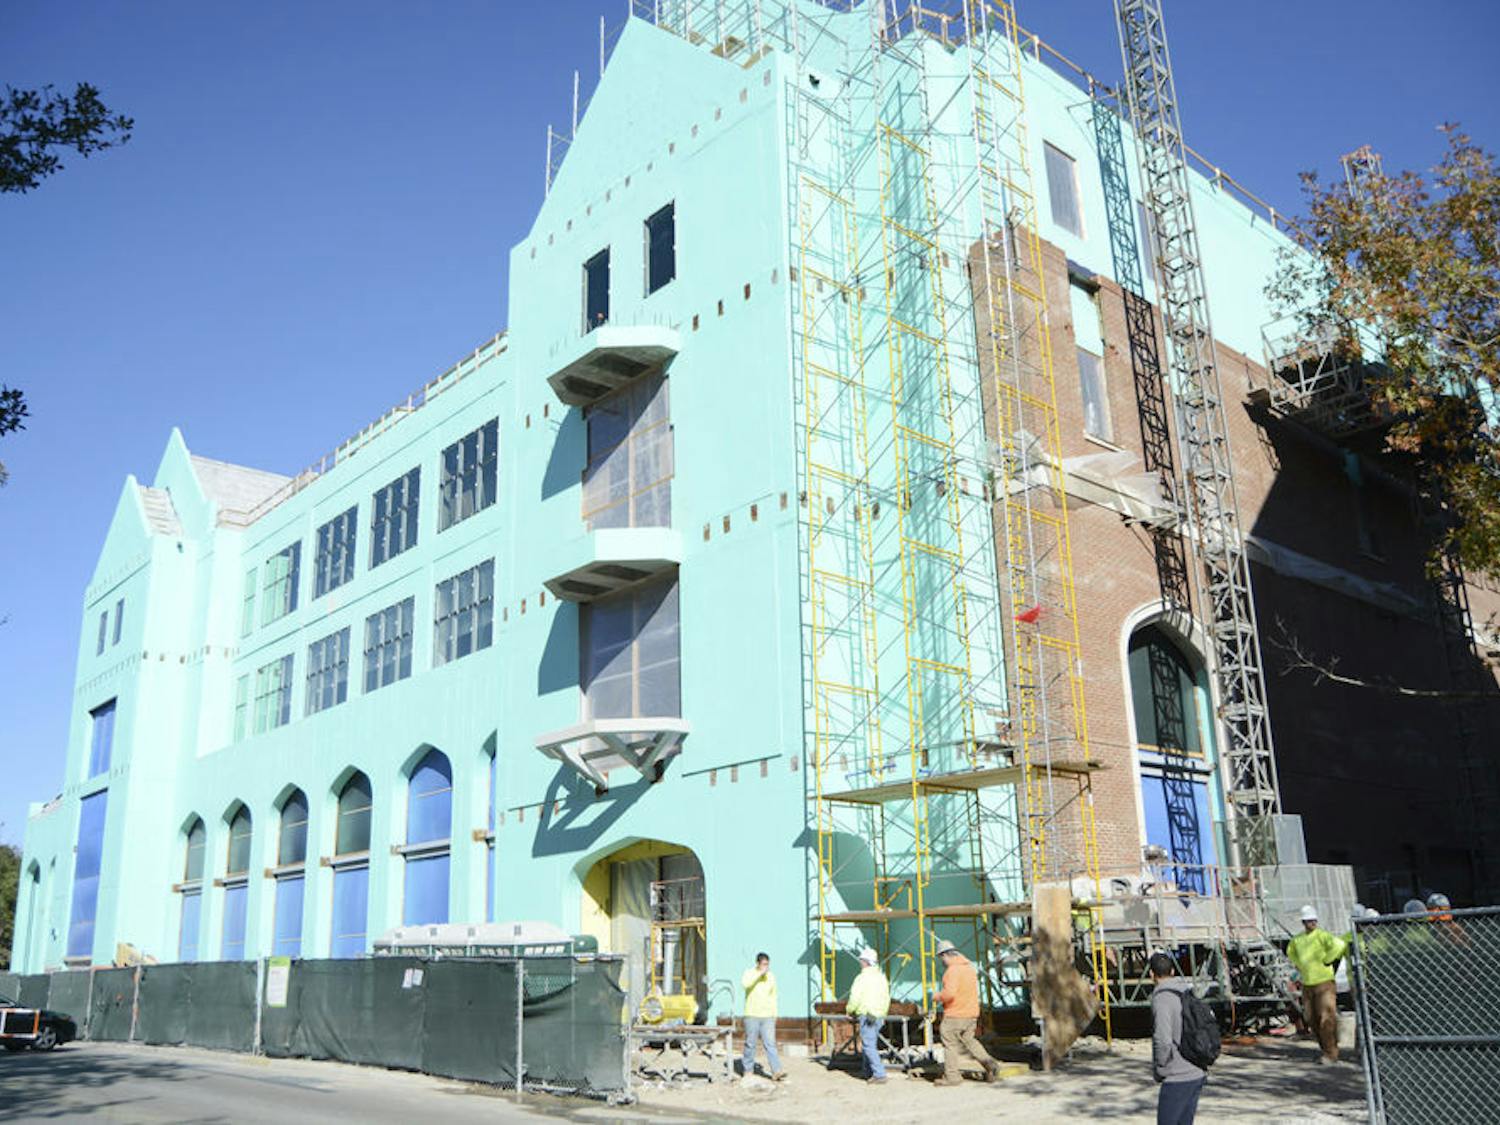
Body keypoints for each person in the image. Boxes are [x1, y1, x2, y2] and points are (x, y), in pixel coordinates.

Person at [1149, 952, 1207, 1125]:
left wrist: (1161, 1068)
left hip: (1177, 1075)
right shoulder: (1187, 992)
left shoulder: (1161, 999)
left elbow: (1163, 1040)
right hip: (1196, 1070)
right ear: (1173, 971)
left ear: (1151, 974)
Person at [932, 939, 1000, 1086]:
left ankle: (952, 1076)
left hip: (955, 1014)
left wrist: (937, 996)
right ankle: (990, 1064)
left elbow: (949, 994)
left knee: (949, 1043)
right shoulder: (969, 968)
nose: (941, 961)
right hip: (971, 1013)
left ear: (945, 955)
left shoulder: (952, 971)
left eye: (941, 957)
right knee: (970, 1041)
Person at [1285, 904, 1347, 1064]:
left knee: (1326, 1017)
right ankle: (1325, 1048)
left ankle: (1331, 1053)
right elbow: (1290, 951)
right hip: (1307, 984)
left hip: (1324, 982)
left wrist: (1328, 959)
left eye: (1313, 920)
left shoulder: (1323, 936)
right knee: (1311, 1018)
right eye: (1307, 921)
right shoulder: (1298, 940)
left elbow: (1340, 945)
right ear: (1303, 922)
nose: (1311, 923)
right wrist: (1298, 963)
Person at [846, 947, 890, 1084]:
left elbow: (855, 998)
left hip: (867, 1014)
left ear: (865, 962)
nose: (860, 962)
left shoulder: (862, 978)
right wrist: (883, 1013)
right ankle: (867, 1071)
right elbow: (886, 997)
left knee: (868, 1046)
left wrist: (849, 1010)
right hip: (879, 1015)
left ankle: (879, 1074)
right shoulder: (882, 977)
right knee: (869, 1044)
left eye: (861, 960)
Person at [740, 952, 786, 1081]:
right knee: (750, 1043)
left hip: (767, 1016)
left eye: (768, 964)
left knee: (770, 1043)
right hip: (752, 1014)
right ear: (758, 964)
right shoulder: (749, 973)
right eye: (764, 964)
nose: (767, 967)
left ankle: (776, 1070)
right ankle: (748, 1070)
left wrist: (775, 1014)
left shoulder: (771, 976)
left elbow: (774, 995)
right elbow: (745, 984)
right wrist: (759, 974)